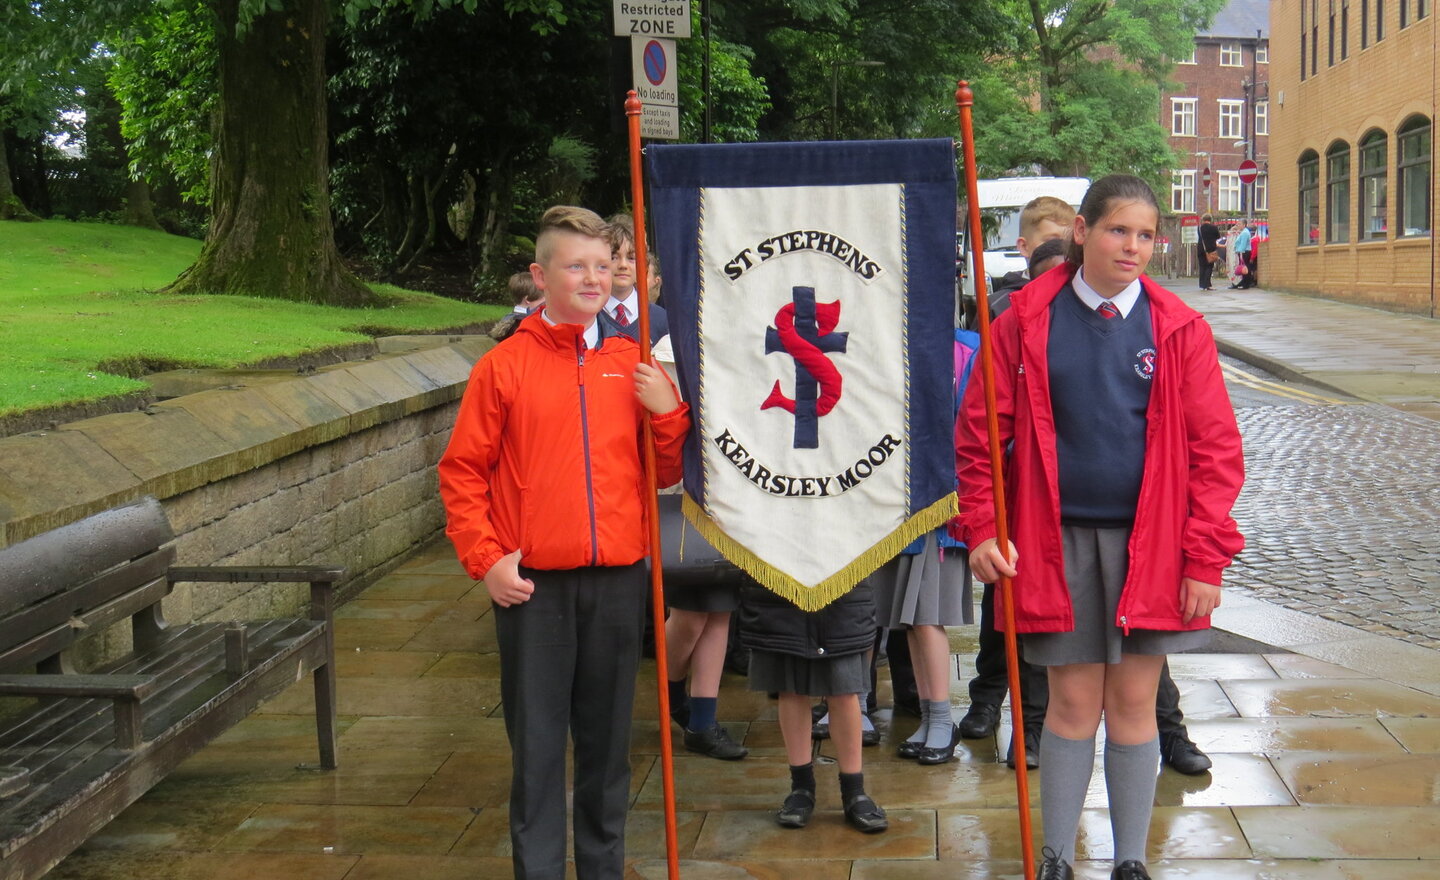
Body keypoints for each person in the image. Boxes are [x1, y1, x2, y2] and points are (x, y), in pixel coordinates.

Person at [954, 175, 1245, 880]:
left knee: (1135, 702)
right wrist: (984, 527)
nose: (1134, 247)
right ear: (1082, 232)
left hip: (1155, 546)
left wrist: (1204, 560)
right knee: (1073, 703)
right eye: (1119, 230)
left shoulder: (1177, 327)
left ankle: (1131, 861)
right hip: (1054, 544)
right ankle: (1056, 857)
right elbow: (978, 435)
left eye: (1146, 235)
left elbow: (1216, 452)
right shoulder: (1022, 323)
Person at [438, 205, 690, 880]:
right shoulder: (504, 367)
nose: (593, 279)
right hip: (533, 586)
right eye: (575, 265)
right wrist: (485, 559)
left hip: (617, 579)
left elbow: (664, 471)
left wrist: (668, 415)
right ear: (540, 274)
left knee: (609, 750)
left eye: (603, 267)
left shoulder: (632, 361)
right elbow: (462, 472)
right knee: (539, 748)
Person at [869, 328, 981, 765]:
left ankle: (941, 720)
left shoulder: (965, 349)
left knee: (927, 617)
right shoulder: (887, 340)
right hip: (894, 505)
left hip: (940, 505)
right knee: (910, 620)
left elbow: (978, 433)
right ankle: (932, 719)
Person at [739, 576, 888, 834]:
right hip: (780, 580)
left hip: (843, 580)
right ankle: (801, 787)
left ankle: (855, 791)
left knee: (844, 690)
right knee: (790, 688)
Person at [988, 196, 1076, 318]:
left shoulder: (1081, 299)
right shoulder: (998, 306)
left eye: (1068, 242)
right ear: (1024, 246)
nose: (1062, 249)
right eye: (1052, 241)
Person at [605, 213, 669, 344]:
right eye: (613, 257)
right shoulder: (588, 318)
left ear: (643, 263)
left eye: (631, 258)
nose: (623, 265)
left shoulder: (661, 320)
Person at [489, 271, 545, 342]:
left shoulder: (509, 320)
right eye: (543, 300)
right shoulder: (524, 325)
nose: (545, 304)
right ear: (527, 299)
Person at [1196, 213, 1221, 291]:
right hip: (1211, 250)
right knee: (1209, 267)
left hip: (1201, 249)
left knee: (1202, 267)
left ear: (1203, 220)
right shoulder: (1214, 228)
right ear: (1210, 220)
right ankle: (1207, 284)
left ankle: (1202, 284)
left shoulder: (1199, 228)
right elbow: (1218, 236)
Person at [1228, 221, 1253, 289]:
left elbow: (1243, 244)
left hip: (1244, 252)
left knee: (1245, 268)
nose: (1238, 225)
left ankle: (1246, 284)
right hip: (1244, 252)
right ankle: (1245, 283)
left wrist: (1240, 252)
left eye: (1239, 224)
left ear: (1244, 225)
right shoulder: (1243, 232)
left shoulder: (1245, 233)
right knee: (1245, 267)